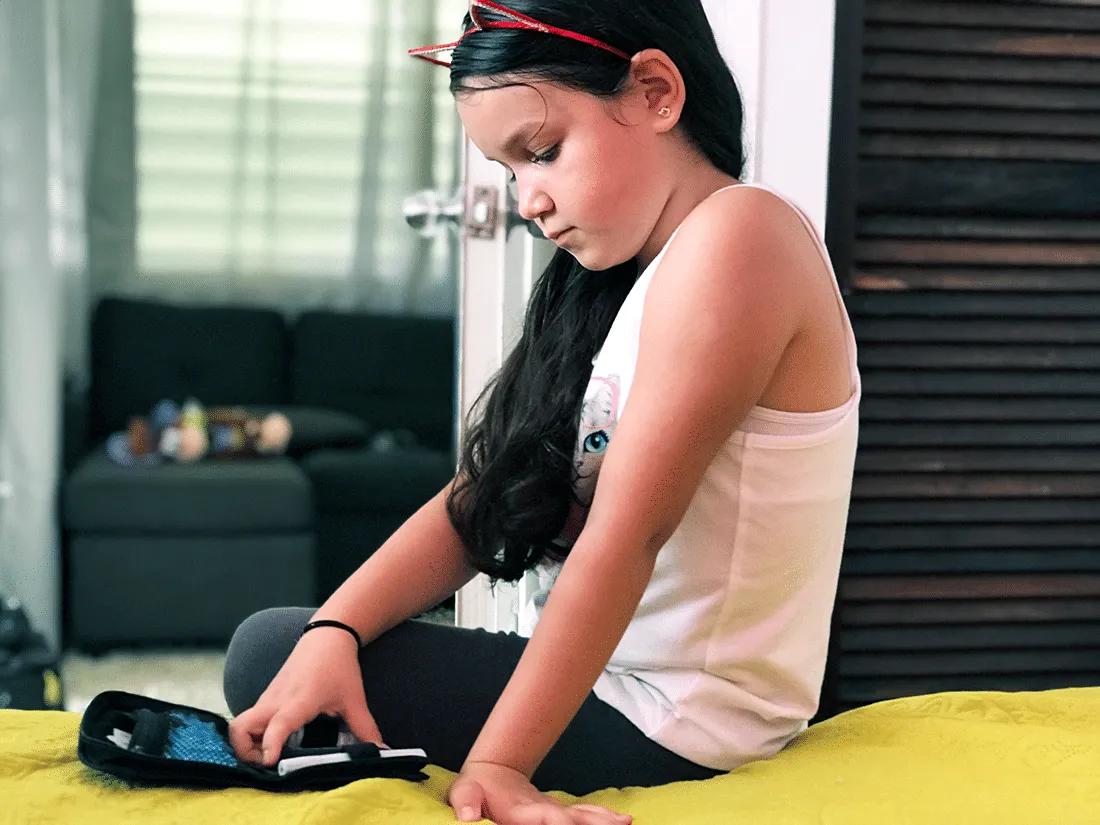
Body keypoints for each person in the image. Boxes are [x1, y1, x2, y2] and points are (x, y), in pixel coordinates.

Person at [222, 1, 861, 823]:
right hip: (621, 684)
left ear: (656, 93)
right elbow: (481, 500)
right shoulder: (633, 278)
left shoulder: (742, 235)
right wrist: (336, 630)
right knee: (294, 648)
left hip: (682, 720)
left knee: (263, 651)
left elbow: (629, 532)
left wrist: (499, 765)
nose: (529, 199)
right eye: (511, 170)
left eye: (544, 152)